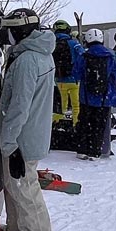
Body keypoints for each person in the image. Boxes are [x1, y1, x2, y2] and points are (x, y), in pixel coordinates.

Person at [0, 8, 56, 231]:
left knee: (24, 184)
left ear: (20, 31)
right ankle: (17, 225)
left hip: (23, 135)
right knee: (14, 183)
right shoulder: (39, 53)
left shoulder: (27, 60)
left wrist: (9, 141)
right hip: (33, 129)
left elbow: (19, 105)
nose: (7, 36)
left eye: (9, 30)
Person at [77, 29, 116, 159]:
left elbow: (76, 73)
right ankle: (95, 150)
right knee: (99, 125)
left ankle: (82, 149)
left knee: (84, 123)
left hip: (86, 97)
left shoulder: (84, 56)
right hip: (104, 97)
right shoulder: (110, 56)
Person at [50, 19, 84, 152]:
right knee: (76, 106)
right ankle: (76, 128)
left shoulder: (52, 43)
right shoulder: (74, 43)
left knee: (60, 107)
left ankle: (54, 128)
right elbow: (82, 56)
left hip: (58, 80)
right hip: (74, 80)